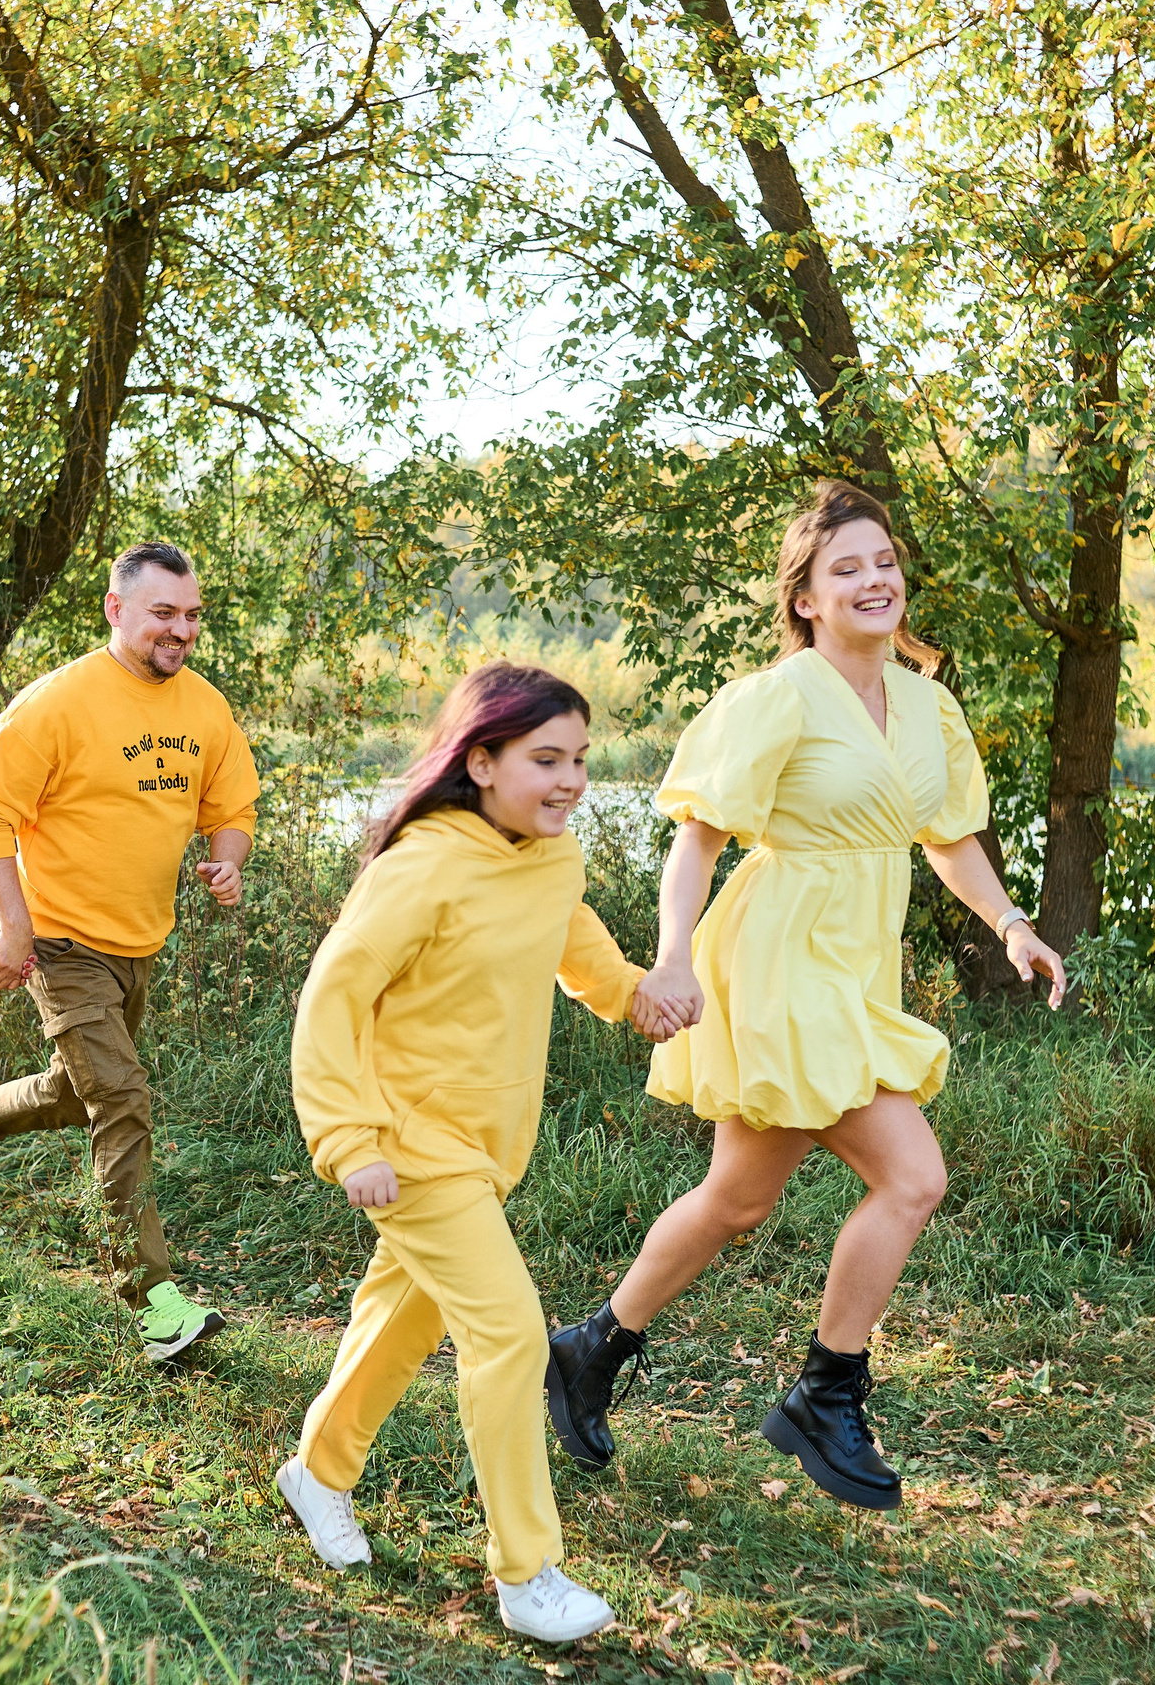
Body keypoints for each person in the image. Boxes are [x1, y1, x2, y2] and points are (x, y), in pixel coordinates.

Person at [542, 480, 1068, 1511]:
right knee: (911, 1176)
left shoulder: (927, 701)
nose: (874, 580)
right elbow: (695, 840)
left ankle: (591, 1347)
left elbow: (948, 837)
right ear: (806, 599)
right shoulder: (777, 695)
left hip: (855, 961)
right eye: (846, 569)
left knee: (737, 1200)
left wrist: (1009, 922)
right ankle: (826, 1390)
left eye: (883, 562)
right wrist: (675, 956)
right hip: (777, 954)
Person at [272, 663, 691, 1646]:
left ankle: (318, 1471)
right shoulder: (421, 866)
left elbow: (571, 942)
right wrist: (350, 1138)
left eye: (581, 759)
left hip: (486, 1146)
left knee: (403, 1319)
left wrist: (635, 992)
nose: (571, 779)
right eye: (546, 758)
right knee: (507, 1333)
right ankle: (526, 1569)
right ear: (482, 760)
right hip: (410, 1144)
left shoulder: (547, 857)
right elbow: (331, 999)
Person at [0, 540, 258, 1363]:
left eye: (191, 615)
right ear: (116, 609)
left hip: (139, 944)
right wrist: (15, 926)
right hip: (62, 944)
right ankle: (153, 1301)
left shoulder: (205, 707)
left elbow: (230, 801)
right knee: (124, 1098)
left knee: (79, 1095)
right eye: (163, 614)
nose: (181, 630)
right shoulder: (54, 704)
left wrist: (230, 857)